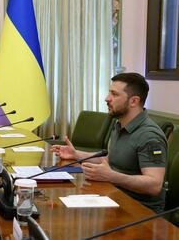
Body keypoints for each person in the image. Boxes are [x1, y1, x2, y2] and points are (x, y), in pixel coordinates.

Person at [51, 73, 167, 212]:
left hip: (139, 210)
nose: (107, 98)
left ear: (133, 101)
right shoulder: (120, 124)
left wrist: (112, 176)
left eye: (114, 94)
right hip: (114, 196)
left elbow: (154, 185)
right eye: (109, 92)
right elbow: (112, 160)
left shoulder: (149, 136)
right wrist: (76, 154)